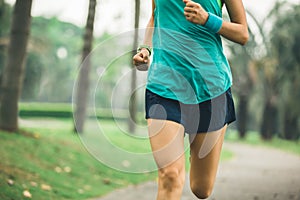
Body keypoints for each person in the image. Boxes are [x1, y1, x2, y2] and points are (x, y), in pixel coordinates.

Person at [133, 0, 248, 199]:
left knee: (201, 188)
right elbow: (155, 15)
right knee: (170, 175)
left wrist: (207, 19)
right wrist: (146, 48)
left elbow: (242, 33)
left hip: (211, 90)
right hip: (164, 86)